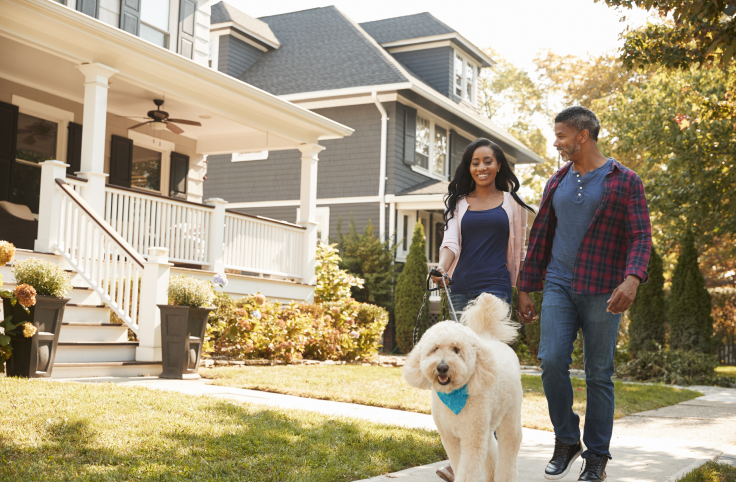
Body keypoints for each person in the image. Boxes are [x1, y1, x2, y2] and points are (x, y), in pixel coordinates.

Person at [517, 106, 651, 482]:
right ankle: (565, 439)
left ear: (583, 135)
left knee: (599, 375)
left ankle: (597, 456)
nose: (556, 142)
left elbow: (641, 235)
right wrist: (526, 285)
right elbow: (541, 236)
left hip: (605, 289)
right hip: (559, 284)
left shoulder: (625, 180)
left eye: (561, 135)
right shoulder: (556, 180)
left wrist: (633, 278)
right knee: (552, 361)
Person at [431, 137, 534, 482]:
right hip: (460, 287)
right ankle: (464, 458)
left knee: (488, 369)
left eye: (488, 161)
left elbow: (520, 253)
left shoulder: (512, 204)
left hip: (496, 289)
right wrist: (442, 268)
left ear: (499, 164)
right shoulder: (460, 203)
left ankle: (481, 459)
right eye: (475, 162)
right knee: (460, 369)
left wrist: (522, 292)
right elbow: (450, 243)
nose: (482, 167)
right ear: (469, 167)